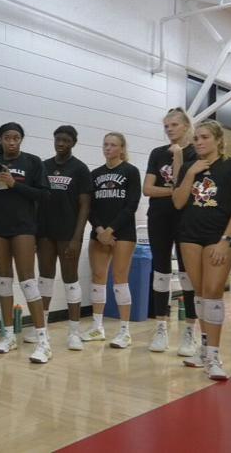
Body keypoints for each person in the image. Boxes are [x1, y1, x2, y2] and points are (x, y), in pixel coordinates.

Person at [174, 119, 231, 380]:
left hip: (218, 236)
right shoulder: (189, 166)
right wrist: (190, 173)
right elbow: (178, 201)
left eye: (205, 137)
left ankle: (215, 357)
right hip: (189, 235)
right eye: (196, 138)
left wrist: (225, 239)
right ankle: (204, 349)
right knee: (200, 293)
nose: (199, 142)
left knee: (213, 292)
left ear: (218, 140)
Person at [0, 122, 51, 363]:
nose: (11, 141)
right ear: (0, 139)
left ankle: (43, 341)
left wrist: (14, 184)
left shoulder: (32, 162)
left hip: (24, 227)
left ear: (21, 140)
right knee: (4, 280)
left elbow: (43, 195)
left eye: (16, 137)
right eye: (7, 137)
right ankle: (8, 335)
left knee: (28, 280)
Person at [143, 108, 199, 355]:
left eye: (174, 125)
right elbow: (147, 189)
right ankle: (161, 328)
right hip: (159, 218)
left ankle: (189, 331)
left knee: (187, 273)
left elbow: (182, 188)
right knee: (161, 270)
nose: (169, 129)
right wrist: (174, 192)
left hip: (186, 219)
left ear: (186, 126)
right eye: (166, 126)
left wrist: (178, 160)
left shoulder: (195, 153)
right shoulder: (157, 153)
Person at [82, 132, 141, 349]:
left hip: (122, 232)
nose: (108, 148)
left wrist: (111, 229)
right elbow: (89, 207)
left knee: (120, 277)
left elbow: (131, 204)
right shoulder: (94, 174)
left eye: (113, 145)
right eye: (105, 144)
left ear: (122, 148)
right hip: (98, 232)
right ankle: (97, 327)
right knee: (98, 276)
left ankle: (124, 331)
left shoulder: (130, 171)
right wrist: (99, 230)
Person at [35, 125, 92, 351]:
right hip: (45, 233)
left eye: (66, 140)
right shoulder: (44, 166)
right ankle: (42, 329)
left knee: (70, 279)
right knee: (45, 279)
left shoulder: (80, 169)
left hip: (69, 233)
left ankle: (74, 332)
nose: (61, 143)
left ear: (73, 143)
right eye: (58, 139)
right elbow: (37, 201)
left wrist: (77, 237)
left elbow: (85, 206)